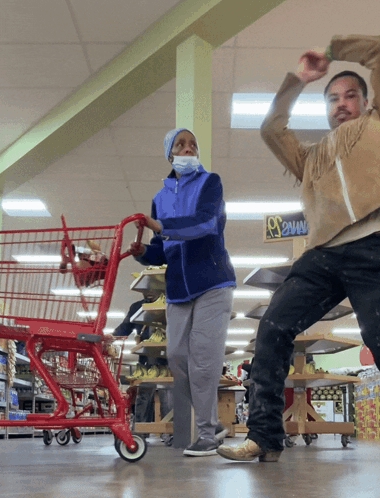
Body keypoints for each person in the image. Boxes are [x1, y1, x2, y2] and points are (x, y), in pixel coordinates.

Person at [217, 35, 380, 464]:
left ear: (366, 101)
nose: (341, 103)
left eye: (350, 95)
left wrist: (332, 53)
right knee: (273, 327)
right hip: (324, 253)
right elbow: (271, 129)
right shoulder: (311, 158)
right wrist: (298, 80)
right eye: (333, 98)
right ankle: (265, 436)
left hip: (379, 245)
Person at [129, 128, 236, 456]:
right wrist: (143, 252)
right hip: (178, 288)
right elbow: (162, 250)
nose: (188, 149)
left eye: (193, 144)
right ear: (170, 154)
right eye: (180, 145)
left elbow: (206, 224)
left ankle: (206, 434)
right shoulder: (160, 198)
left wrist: (163, 226)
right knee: (176, 357)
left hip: (212, 281)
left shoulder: (210, 183)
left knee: (203, 359)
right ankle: (212, 423)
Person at [114, 290, 173, 426]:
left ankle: (169, 432)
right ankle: (140, 430)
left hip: (167, 358)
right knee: (144, 396)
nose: (149, 293)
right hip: (146, 359)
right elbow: (125, 326)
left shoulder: (170, 305)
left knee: (167, 396)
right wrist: (113, 335)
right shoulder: (137, 307)